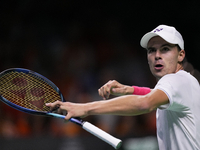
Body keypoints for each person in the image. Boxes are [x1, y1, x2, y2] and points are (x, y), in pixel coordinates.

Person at [46, 25, 200, 150]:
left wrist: (85, 108)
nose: (157, 55)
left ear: (181, 55)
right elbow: (156, 96)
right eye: (152, 50)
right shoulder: (185, 82)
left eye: (165, 49)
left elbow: (146, 103)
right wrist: (129, 90)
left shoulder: (175, 80)